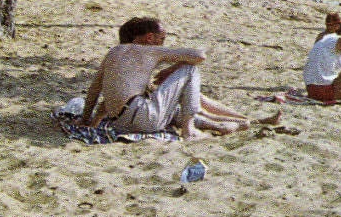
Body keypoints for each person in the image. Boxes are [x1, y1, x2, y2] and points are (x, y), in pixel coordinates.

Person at [79, 17, 250, 138]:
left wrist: (86, 119)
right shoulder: (150, 50)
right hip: (142, 118)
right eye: (161, 39)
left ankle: (228, 124)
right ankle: (188, 129)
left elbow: (95, 89)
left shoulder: (113, 53)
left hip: (121, 123)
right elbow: (200, 56)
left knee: (175, 107)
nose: (162, 43)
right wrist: (173, 68)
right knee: (190, 69)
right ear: (150, 38)